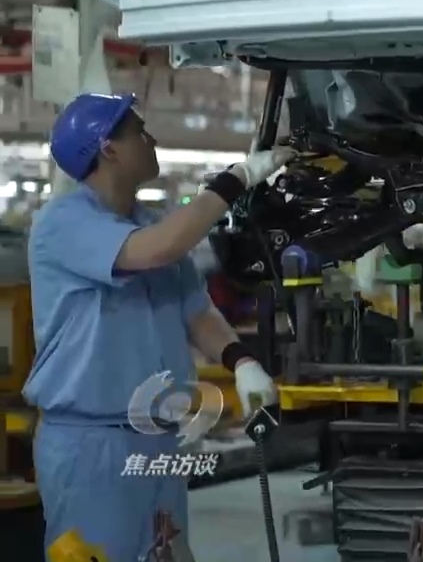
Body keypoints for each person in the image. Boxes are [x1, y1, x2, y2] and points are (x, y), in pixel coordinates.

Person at [26, 92, 297, 561]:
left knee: (165, 552)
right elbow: (155, 250)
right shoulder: (63, 223)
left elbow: (197, 313)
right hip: (92, 444)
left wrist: (242, 362)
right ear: (108, 148)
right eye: (139, 131)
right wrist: (235, 180)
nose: (151, 140)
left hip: (160, 437)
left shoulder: (150, 223)